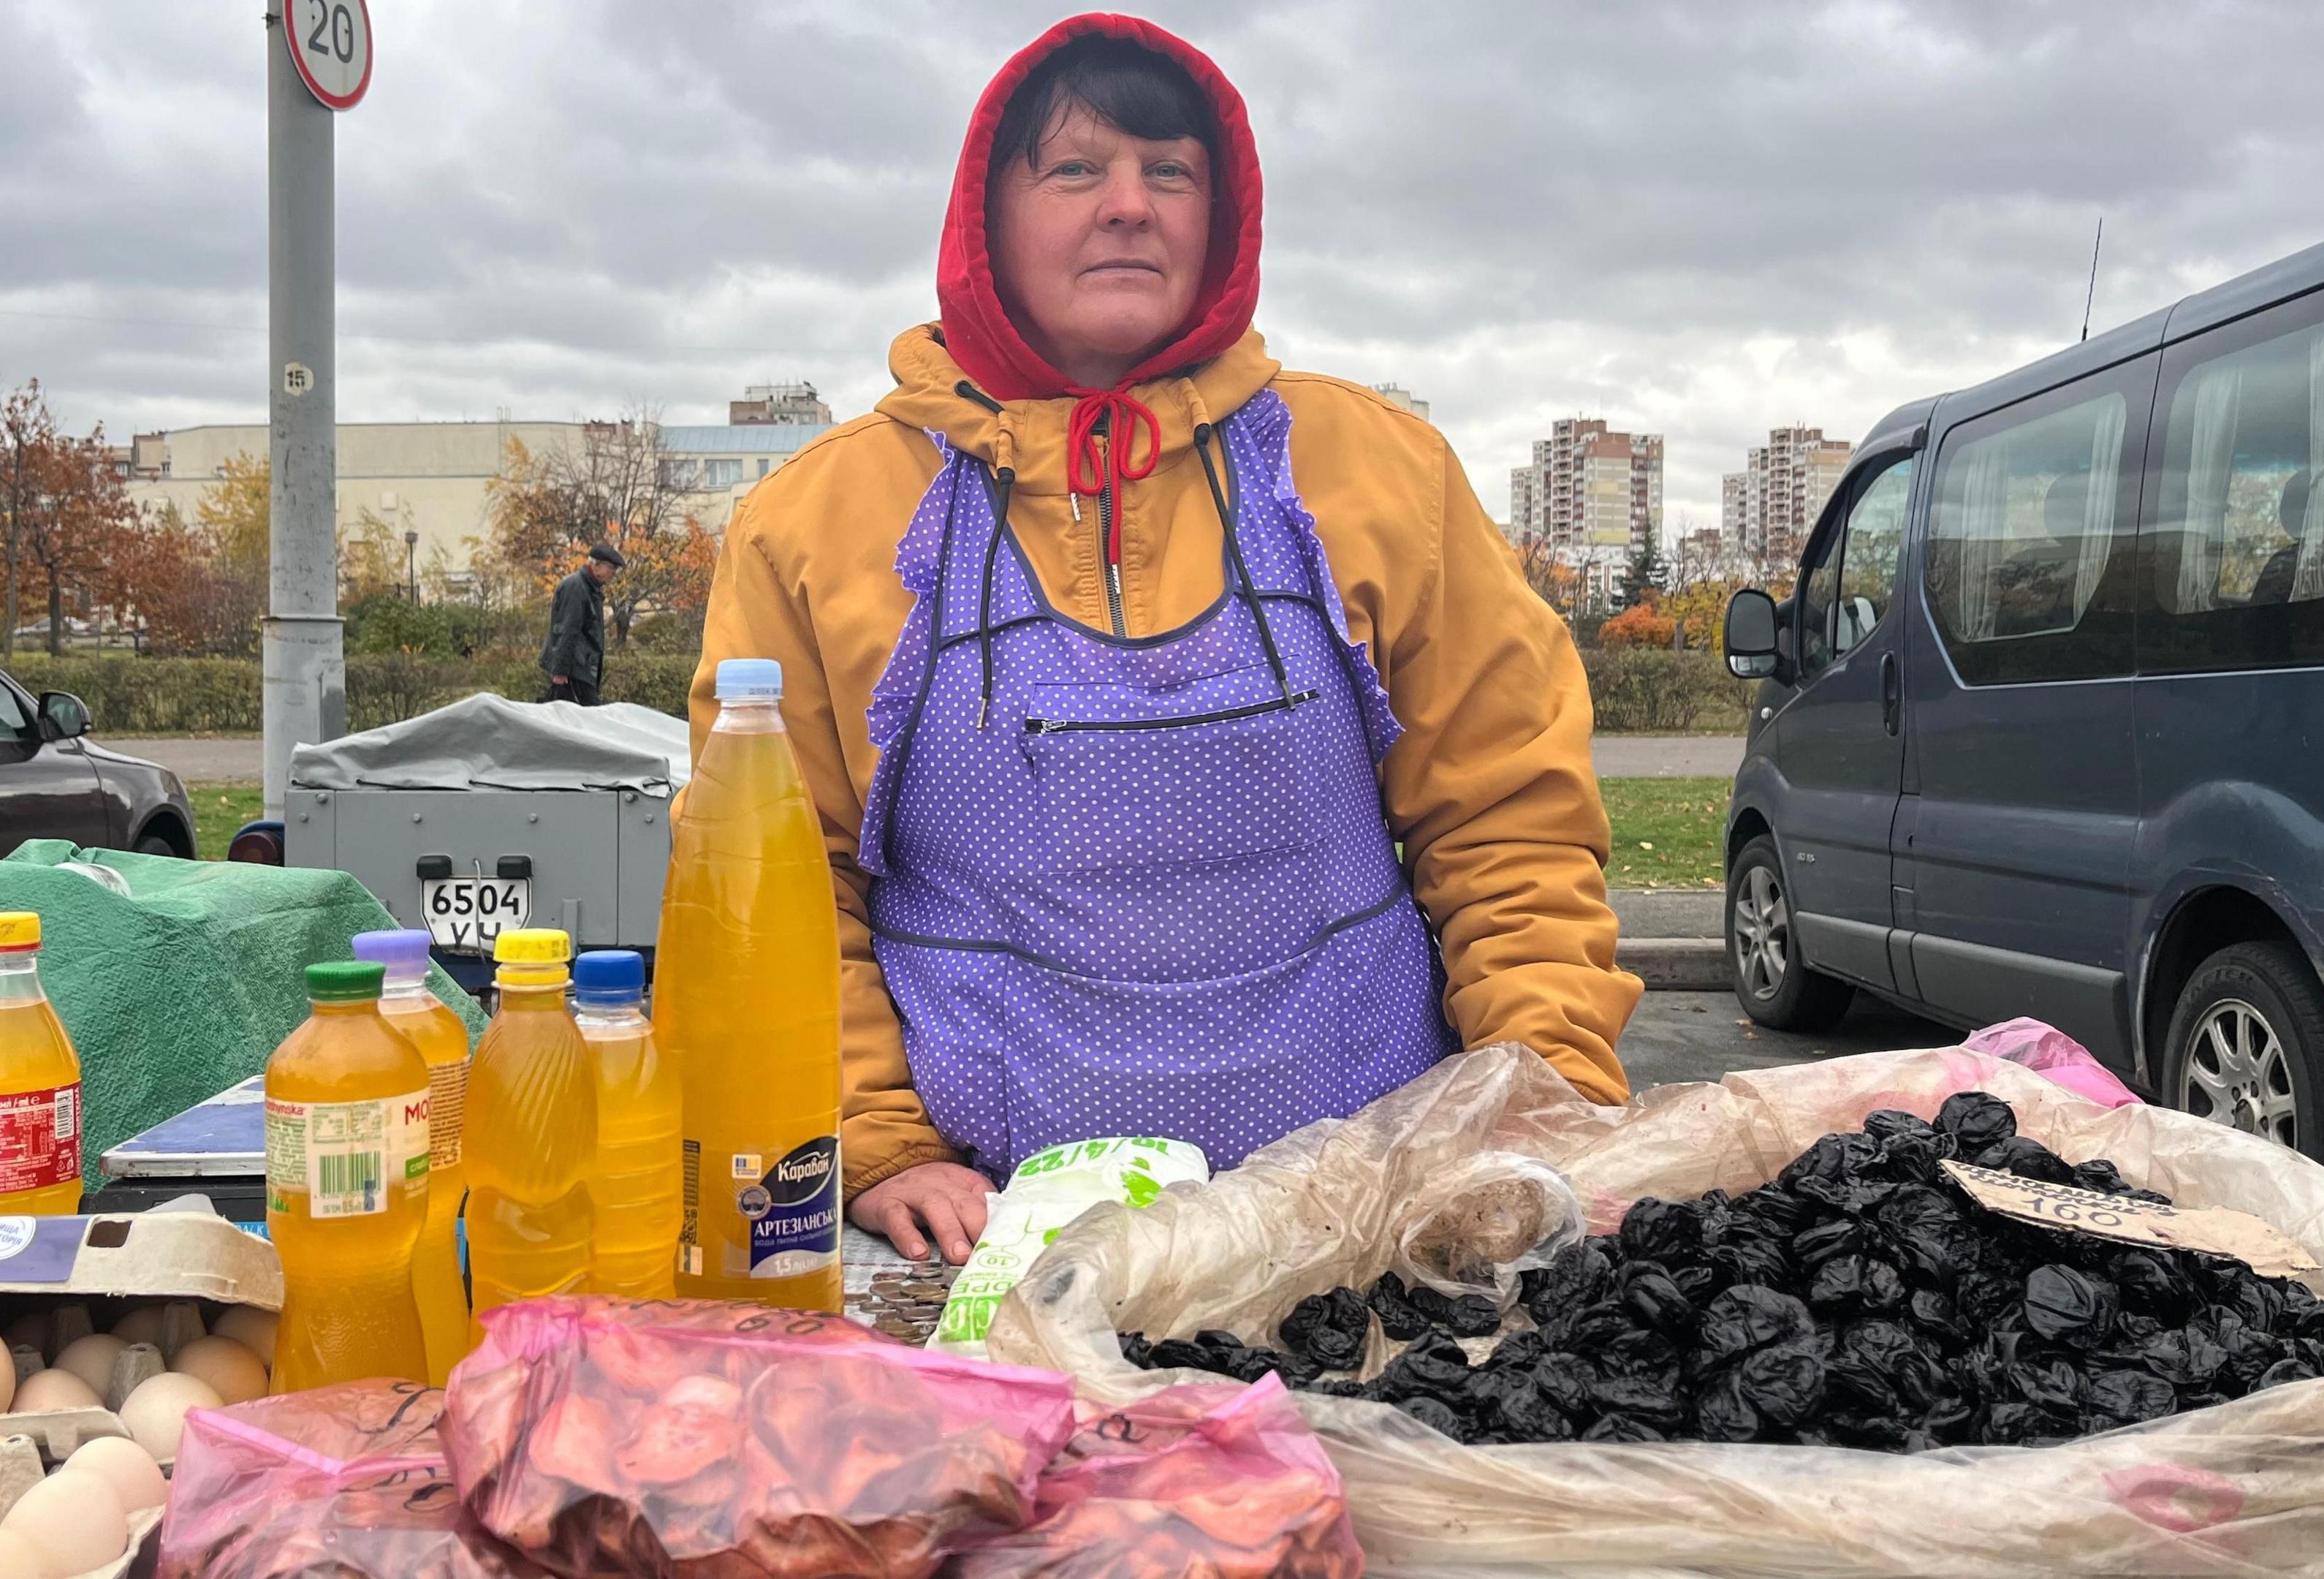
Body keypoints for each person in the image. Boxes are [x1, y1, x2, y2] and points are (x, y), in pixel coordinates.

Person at [691, 15, 1641, 1264]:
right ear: (988, 215)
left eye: (1170, 172)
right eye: (1076, 169)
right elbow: (775, 882)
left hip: (1373, 1215)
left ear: (1221, 217)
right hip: (981, 1230)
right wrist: (873, 1139)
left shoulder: (1376, 471)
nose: (1129, 206)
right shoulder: (814, 520)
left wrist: (1541, 1096)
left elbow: (1506, 821)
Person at [541, 542, 623, 705]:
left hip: (581, 668)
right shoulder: (576, 587)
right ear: (597, 565)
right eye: (611, 568)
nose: (613, 573)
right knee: (588, 718)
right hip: (574, 670)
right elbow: (567, 630)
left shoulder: (590, 588)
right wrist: (561, 672)